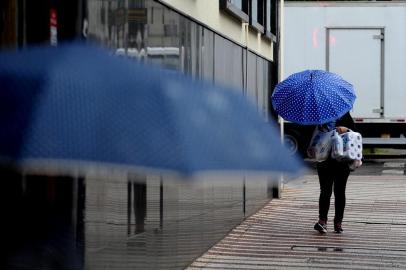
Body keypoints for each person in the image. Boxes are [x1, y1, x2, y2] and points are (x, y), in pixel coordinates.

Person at [312, 111, 355, 234]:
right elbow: (314, 137)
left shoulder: (345, 116)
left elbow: (355, 133)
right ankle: (322, 221)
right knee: (325, 190)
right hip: (324, 160)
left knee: (340, 191)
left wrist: (345, 129)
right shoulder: (319, 117)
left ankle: (338, 222)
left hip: (342, 161)